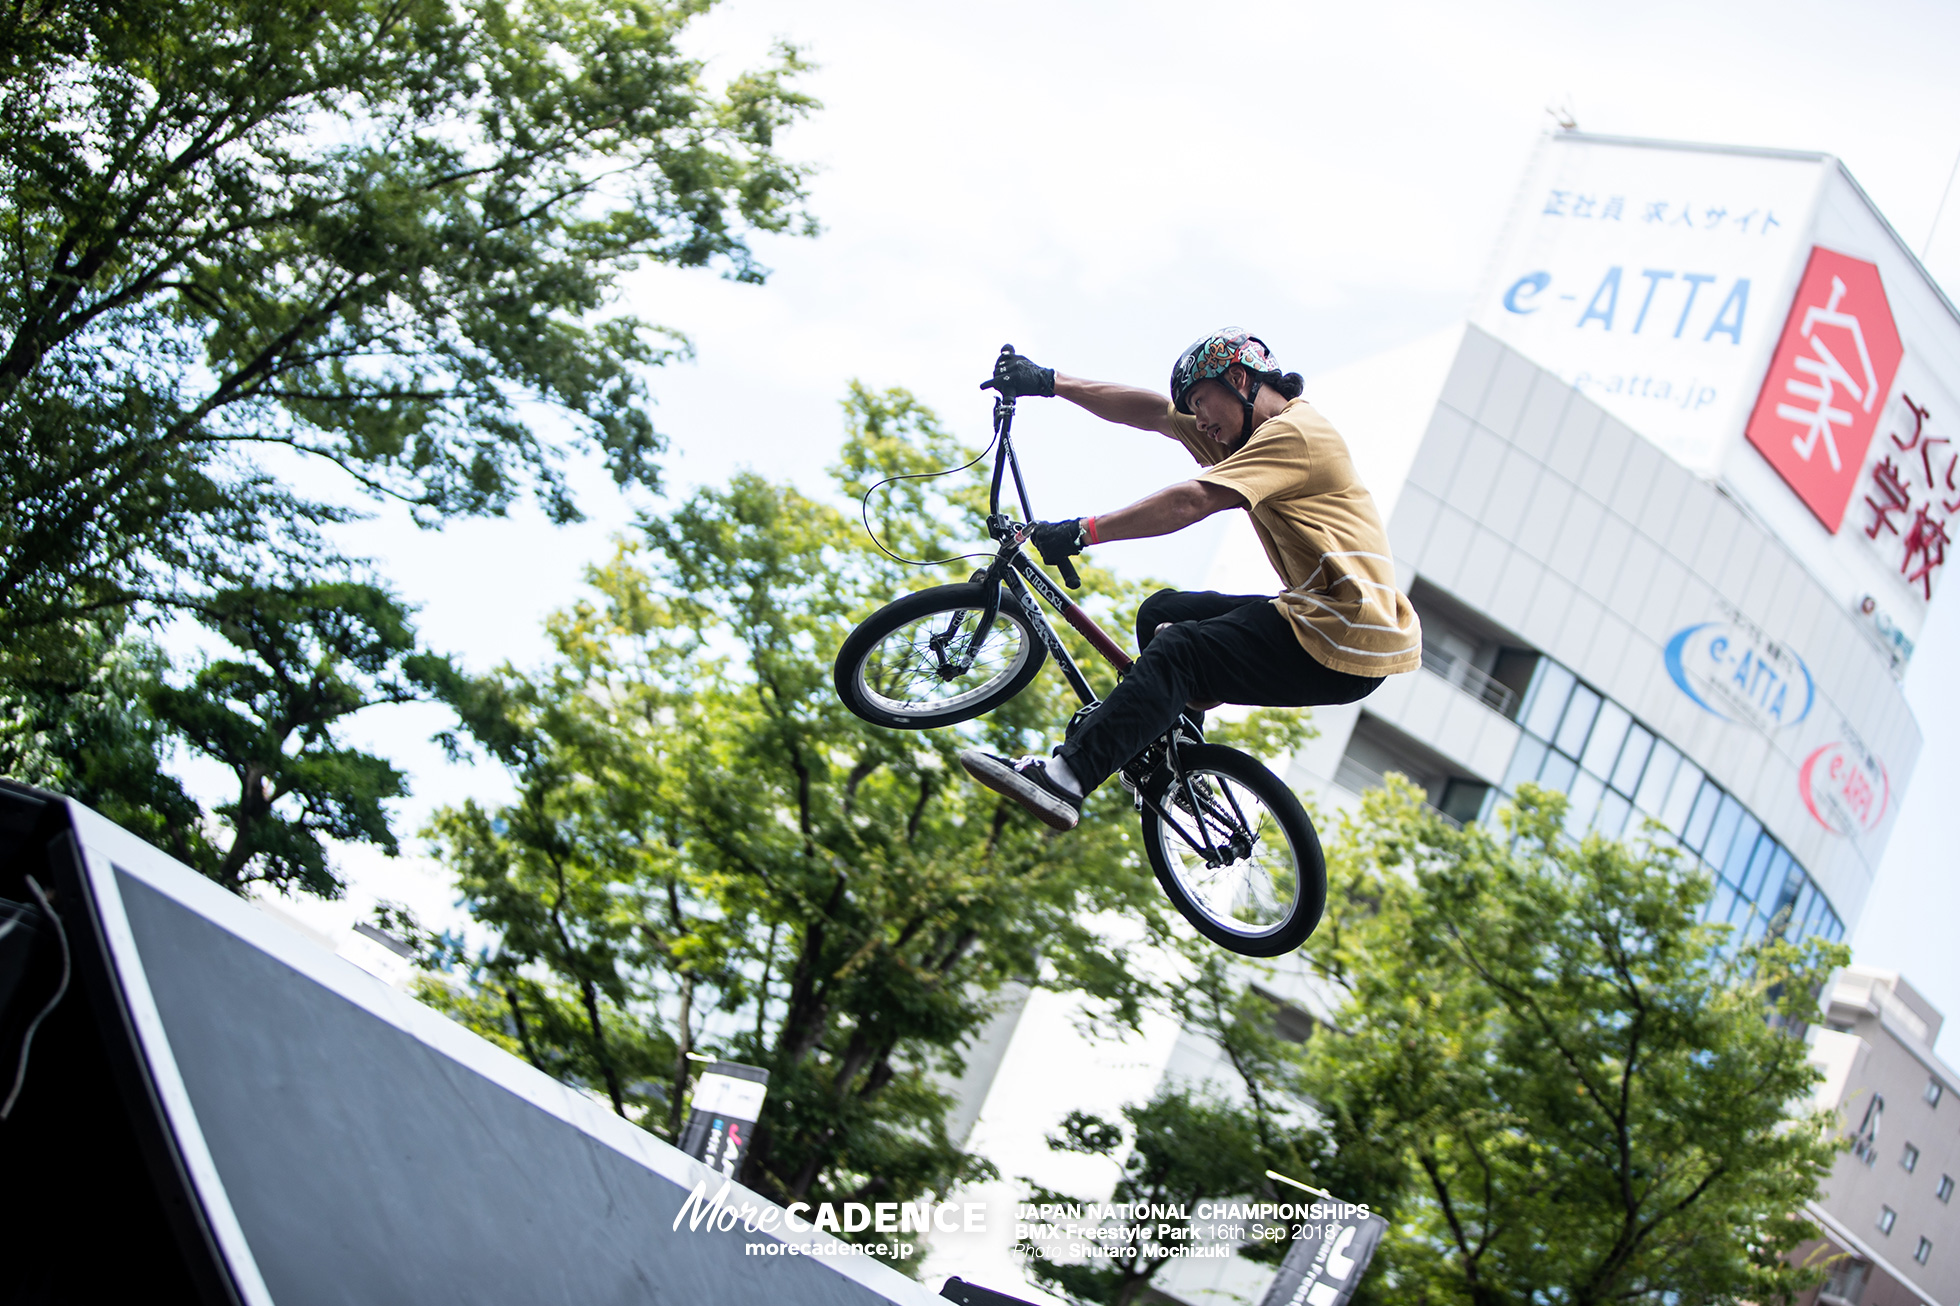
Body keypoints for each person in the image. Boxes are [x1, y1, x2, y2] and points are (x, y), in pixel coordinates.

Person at [956, 330, 1423, 831]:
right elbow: (1156, 414)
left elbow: (1190, 501)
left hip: (1347, 632)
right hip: (1319, 614)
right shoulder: (1242, 432)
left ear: (1239, 379)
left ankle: (1065, 778)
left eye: (1201, 402)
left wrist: (1083, 532)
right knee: (1163, 613)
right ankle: (1173, 763)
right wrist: (1049, 382)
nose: (1199, 422)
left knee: (1180, 650)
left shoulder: (1294, 433)